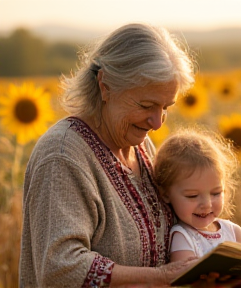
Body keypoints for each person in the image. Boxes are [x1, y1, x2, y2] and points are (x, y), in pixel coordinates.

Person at [19, 22, 197, 288]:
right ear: (105, 86)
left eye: (166, 107)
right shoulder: (62, 156)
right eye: (146, 105)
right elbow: (60, 268)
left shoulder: (141, 147)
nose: (158, 122)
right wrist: (162, 278)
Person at [153, 128, 241, 271]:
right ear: (166, 194)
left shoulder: (234, 232)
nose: (207, 205)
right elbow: (185, 280)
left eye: (216, 193)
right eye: (192, 196)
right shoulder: (183, 237)